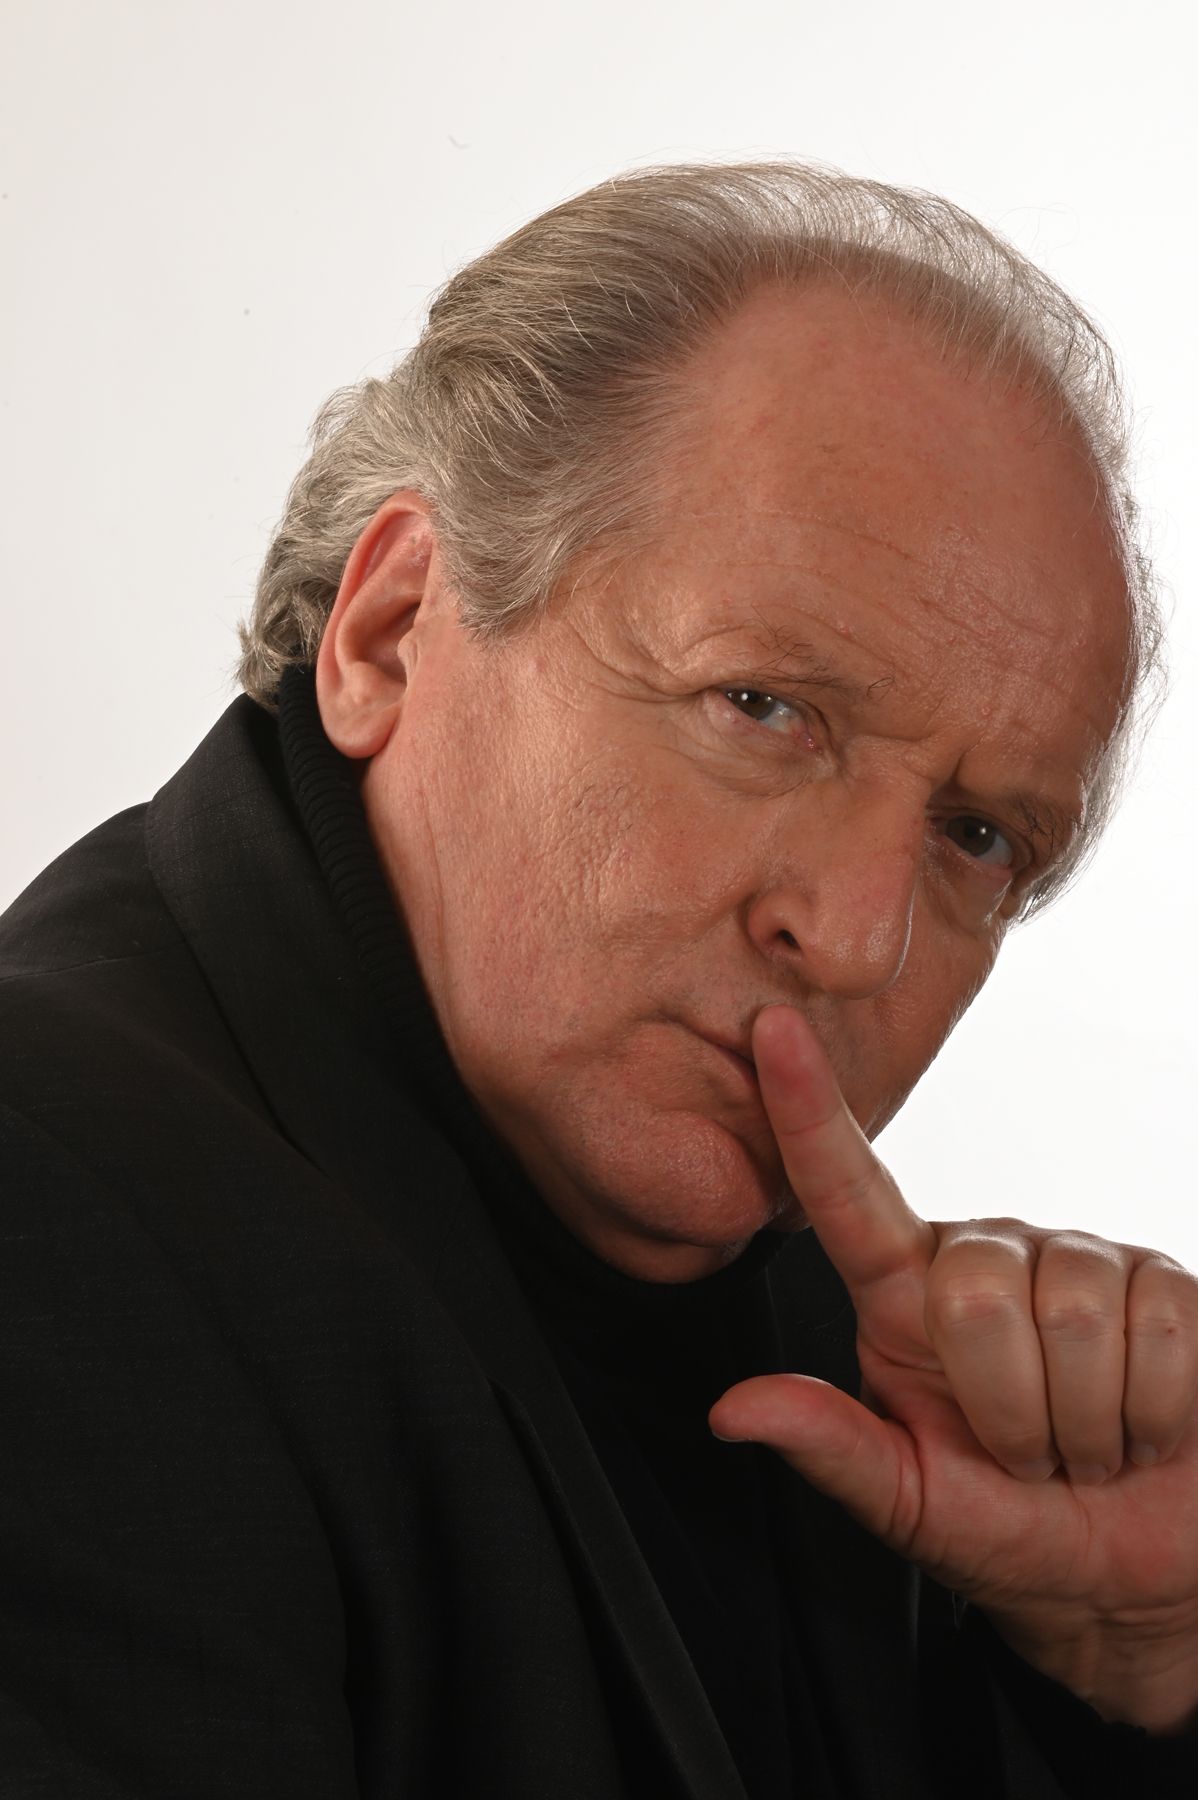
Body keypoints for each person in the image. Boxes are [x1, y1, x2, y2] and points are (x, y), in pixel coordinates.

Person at [1, 161, 1195, 1800]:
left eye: (976, 835)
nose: (857, 937)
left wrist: (1133, 1680)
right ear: (392, 631)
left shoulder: (863, 1367)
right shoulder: (47, 1209)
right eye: (762, 708)